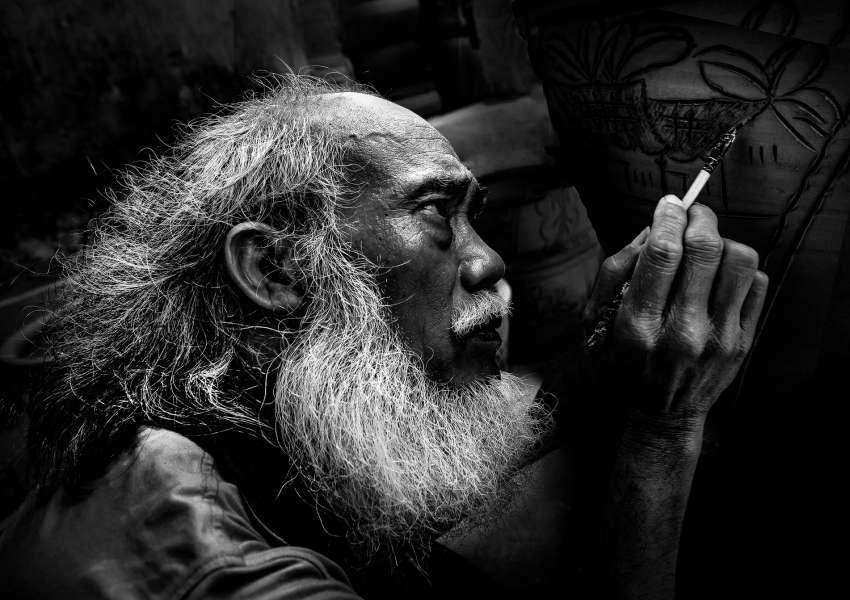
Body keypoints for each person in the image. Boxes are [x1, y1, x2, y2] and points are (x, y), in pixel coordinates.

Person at [0, 76, 767, 599]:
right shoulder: (216, 565)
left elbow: (390, 475)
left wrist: (596, 367)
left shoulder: (217, 411)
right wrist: (665, 430)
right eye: (437, 213)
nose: (489, 262)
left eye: (474, 216)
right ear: (275, 268)